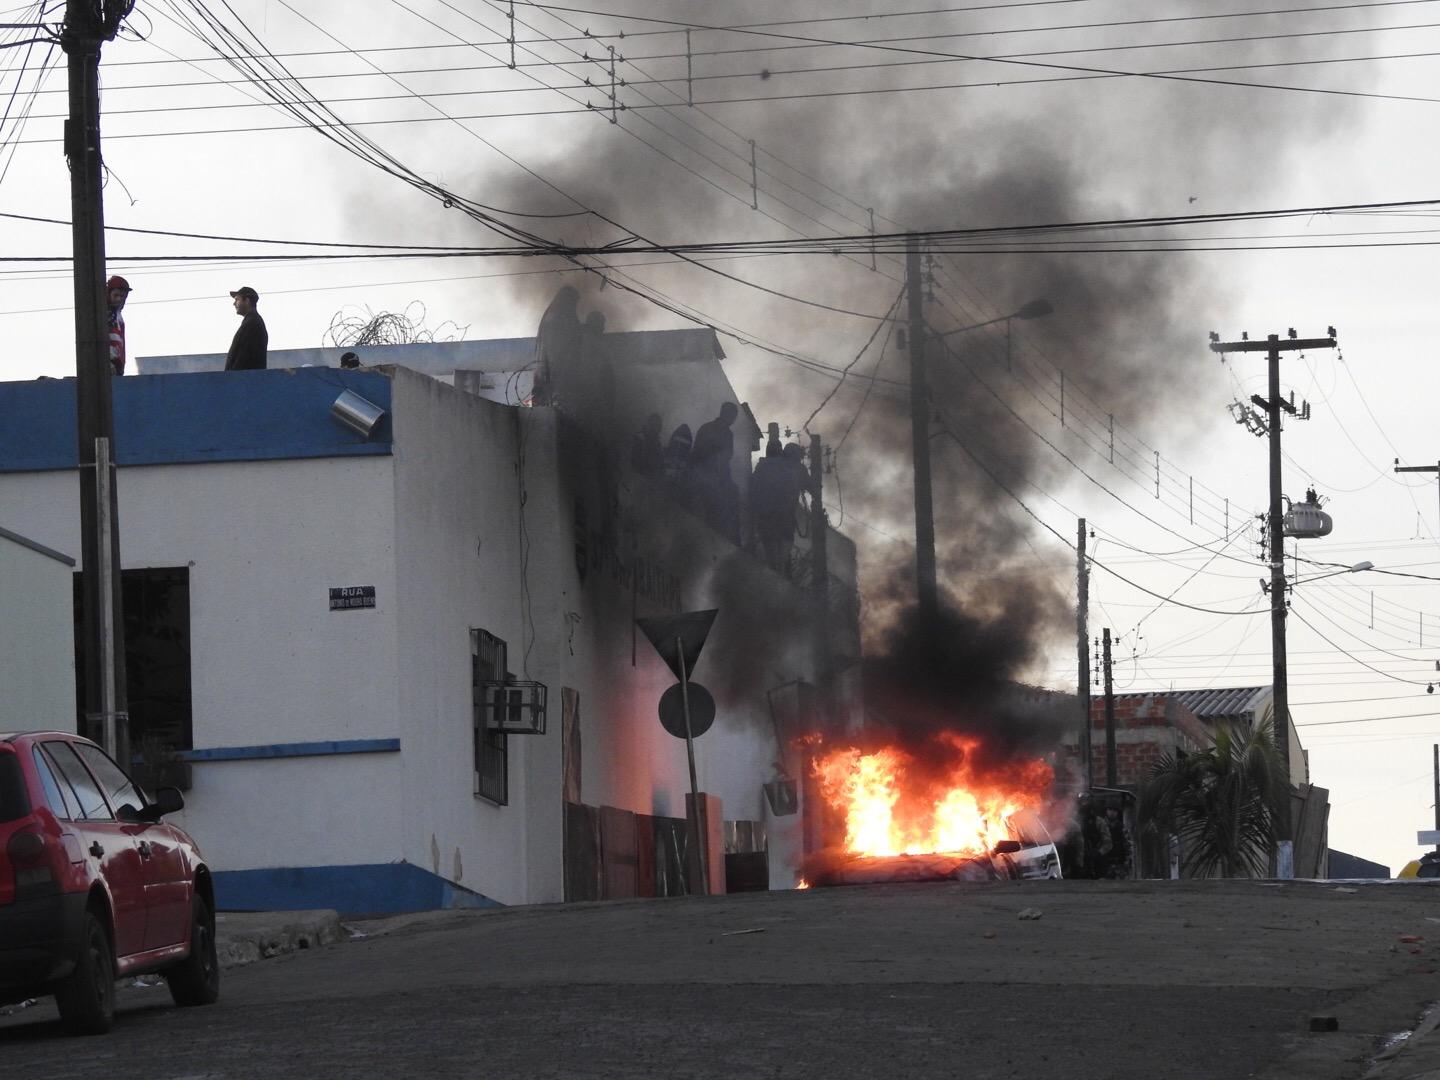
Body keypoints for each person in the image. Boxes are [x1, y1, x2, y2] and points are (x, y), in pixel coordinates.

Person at [750, 441, 803, 572]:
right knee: (781, 557)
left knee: (771, 556)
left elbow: (753, 489)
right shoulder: (792, 469)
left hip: (766, 520)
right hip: (784, 521)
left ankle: (775, 573)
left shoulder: (761, 467)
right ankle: (779, 573)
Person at [224, 286, 268, 371]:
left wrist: (233, 376)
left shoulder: (252, 322)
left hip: (244, 377)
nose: (234, 303)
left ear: (247, 301)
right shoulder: (252, 321)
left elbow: (243, 355)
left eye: (237, 299)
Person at [105, 275, 131, 376]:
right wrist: (107, 362)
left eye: (122, 296)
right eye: (115, 295)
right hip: (108, 363)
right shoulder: (107, 314)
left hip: (118, 364)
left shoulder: (118, 315)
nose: (119, 299)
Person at [630, 413, 665, 479]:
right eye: (654, 425)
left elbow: (660, 463)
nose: (656, 428)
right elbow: (635, 463)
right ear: (649, 425)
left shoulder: (657, 442)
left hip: (650, 478)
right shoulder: (640, 438)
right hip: (640, 478)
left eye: (658, 425)